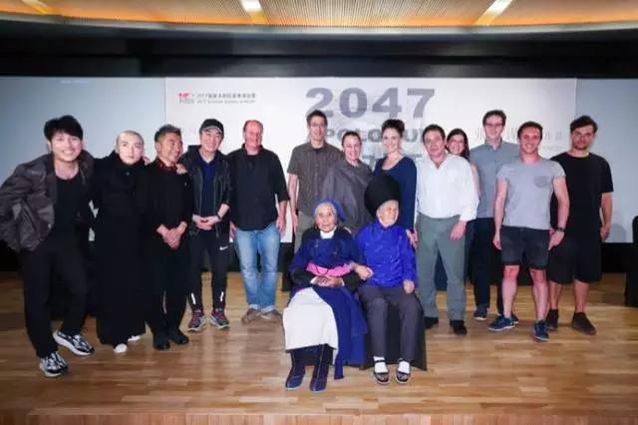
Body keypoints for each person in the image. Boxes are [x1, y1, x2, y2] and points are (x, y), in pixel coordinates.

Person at [0, 115, 95, 377]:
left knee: (83, 289)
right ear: (49, 144)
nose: (68, 145)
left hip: (67, 238)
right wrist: (15, 239)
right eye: (60, 139)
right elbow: (2, 203)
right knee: (38, 299)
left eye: (73, 139)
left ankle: (69, 332)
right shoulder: (32, 171)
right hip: (36, 242)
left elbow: (107, 167)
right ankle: (46, 352)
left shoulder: (86, 164)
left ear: (82, 142)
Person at [488, 121, 570, 342]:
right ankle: (506, 316)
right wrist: (497, 230)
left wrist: (561, 229)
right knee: (509, 273)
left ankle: (540, 321)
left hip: (539, 231)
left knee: (538, 276)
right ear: (519, 139)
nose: (530, 141)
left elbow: (563, 200)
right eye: (526, 136)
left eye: (535, 137)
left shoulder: (553, 168)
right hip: (511, 229)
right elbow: (499, 200)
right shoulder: (507, 168)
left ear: (540, 140)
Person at [283, 200, 367, 392]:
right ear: (315, 219)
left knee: (327, 313)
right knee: (295, 310)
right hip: (311, 285)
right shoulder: (309, 237)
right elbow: (295, 268)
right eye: (320, 215)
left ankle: (321, 368)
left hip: (337, 288)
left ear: (336, 218)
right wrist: (314, 279)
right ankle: (297, 366)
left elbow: (360, 270)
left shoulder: (345, 238)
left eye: (329, 214)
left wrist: (340, 281)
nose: (325, 219)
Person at [547, 115, 613, 335]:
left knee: (584, 273)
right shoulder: (556, 162)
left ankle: (580, 314)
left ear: (593, 137)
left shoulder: (601, 164)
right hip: (561, 229)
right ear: (571, 135)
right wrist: (550, 225)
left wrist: (607, 222)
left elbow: (606, 197)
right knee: (557, 273)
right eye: (578, 134)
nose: (582, 138)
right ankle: (552, 312)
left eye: (587, 134)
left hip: (590, 228)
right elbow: (547, 198)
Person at [356, 175, 422, 385]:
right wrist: (358, 268)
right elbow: (353, 260)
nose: (393, 213)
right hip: (372, 285)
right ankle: (379, 359)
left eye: (396, 209)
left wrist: (409, 279)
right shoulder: (364, 235)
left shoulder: (401, 234)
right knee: (378, 304)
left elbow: (408, 260)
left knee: (412, 306)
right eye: (388, 209)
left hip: (396, 283)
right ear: (378, 212)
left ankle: (406, 360)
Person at [416, 125, 479, 335]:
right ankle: (429, 313)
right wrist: (414, 226)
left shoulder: (460, 164)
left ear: (444, 141)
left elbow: (470, 195)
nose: (433, 144)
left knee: (455, 274)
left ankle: (457, 316)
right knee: (424, 272)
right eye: (428, 140)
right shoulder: (419, 166)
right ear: (424, 144)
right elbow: (415, 198)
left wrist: (462, 223)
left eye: (437, 139)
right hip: (425, 223)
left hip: (453, 224)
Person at [138, 124, 193, 350]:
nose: (177, 147)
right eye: (172, 142)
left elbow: (189, 205)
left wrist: (179, 230)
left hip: (180, 239)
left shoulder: (183, 174)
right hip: (154, 240)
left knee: (178, 287)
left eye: (179, 143)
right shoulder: (145, 173)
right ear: (158, 145)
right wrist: (165, 232)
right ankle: (159, 331)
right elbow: (144, 208)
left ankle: (173, 327)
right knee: (154, 288)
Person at [228, 120, 289, 323]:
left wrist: (282, 216)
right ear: (244, 133)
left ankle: (268, 306)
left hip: (269, 224)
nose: (255, 136)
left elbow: (282, 190)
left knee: (270, 268)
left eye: (258, 133)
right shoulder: (231, 160)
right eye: (251, 132)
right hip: (242, 226)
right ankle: (254, 305)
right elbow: (225, 194)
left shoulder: (271, 158)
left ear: (261, 135)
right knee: (248, 269)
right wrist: (227, 220)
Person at [92, 130, 147, 354]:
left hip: (137, 236)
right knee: (112, 286)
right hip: (110, 237)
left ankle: (133, 327)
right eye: (125, 145)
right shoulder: (102, 168)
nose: (131, 150)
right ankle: (114, 335)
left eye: (137, 146)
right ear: (117, 147)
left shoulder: (143, 170)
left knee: (134, 282)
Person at [179, 118, 232, 332]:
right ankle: (197, 313)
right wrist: (193, 218)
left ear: (221, 139)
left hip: (218, 226)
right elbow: (178, 193)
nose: (212, 139)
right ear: (200, 136)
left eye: (217, 135)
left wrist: (217, 217)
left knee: (220, 271)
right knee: (192, 270)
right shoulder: (186, 160)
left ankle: (218, 311)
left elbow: (230, 193)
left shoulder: (226, 163)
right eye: (208, 134)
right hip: (193, 227)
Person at [469, 110, 520, 321]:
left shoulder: (516, 151)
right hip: (482, 215)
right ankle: (482, 305)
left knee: (506, 265)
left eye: (497, 124)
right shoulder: (473, 154)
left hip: (510, 217)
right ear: (483, 127)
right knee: (481, 263)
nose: (493, 128)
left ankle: (504, 307)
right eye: (489, 124)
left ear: (504, 127)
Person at [288, 110, 342, 252]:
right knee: (300, 256)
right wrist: (293, 213)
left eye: (322, 125)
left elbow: (340, 186)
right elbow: (292, 184)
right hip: (305, 213)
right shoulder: (298, 152)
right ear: (308, 127)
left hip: (328, 215)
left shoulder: (336, 154)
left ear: (326, 127)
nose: (318, 129)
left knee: (327, 255)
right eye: (314, 125)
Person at [373, 119, 417, 247]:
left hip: (399, 224)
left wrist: (407, 228)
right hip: (380, 223)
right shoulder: (379, 163)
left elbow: (409, 198)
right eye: (386, 138)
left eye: (394, 138)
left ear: (400, 139)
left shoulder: (407, 164)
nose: (389, 142)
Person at [320, 131, 373, 234]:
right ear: (343, 148)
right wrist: (339, 226)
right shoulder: (335, 171)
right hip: (345, 229)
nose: (353, 149)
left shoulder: (367, 170)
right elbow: (326, 202)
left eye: (356, 145)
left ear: (360, 147)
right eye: (349, 146)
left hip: (367, 228)